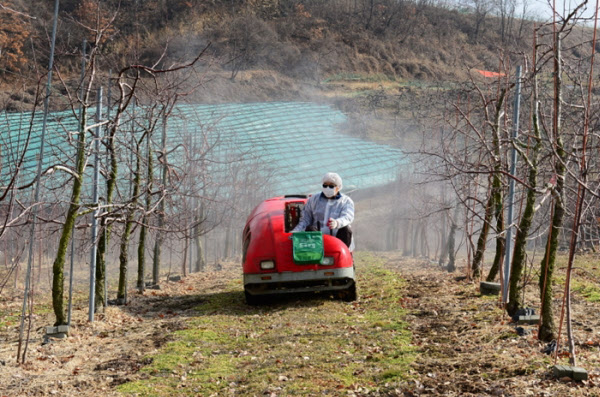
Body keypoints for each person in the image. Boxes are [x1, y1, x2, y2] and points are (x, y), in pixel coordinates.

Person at [292, 172, 355, 251]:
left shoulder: (346, 201)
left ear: (338, 187)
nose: (328, 188)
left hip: (337, 238)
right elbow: (305, 219)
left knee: (346, 230)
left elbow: (348, 217)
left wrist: (337, 223)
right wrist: (296, 232)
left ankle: (344, 255)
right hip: (317, 239)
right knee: (310, 229)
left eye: (331, 186)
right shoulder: (314, 200)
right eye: (325, 185)